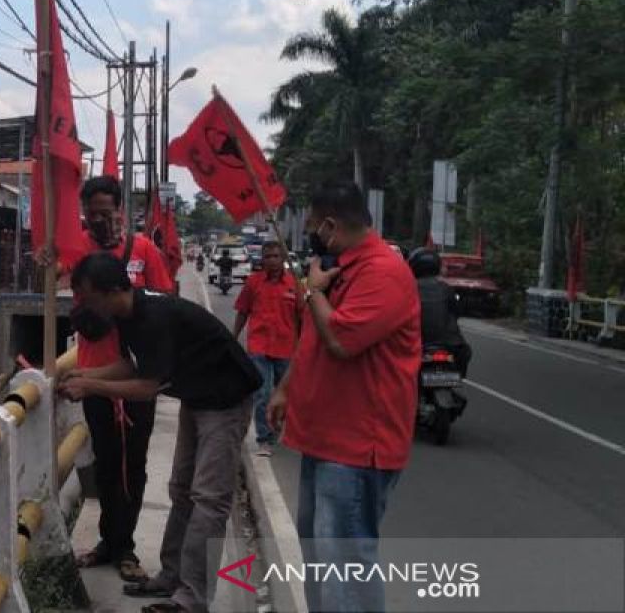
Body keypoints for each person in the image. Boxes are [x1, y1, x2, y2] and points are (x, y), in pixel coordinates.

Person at [61, 252, 261, 613]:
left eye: (89, 298)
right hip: (197, 397)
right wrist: (85, 376)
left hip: (225, 400)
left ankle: (192, 598)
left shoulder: (154, 316)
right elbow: (130, 364)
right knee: (181, 490)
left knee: (208, 499)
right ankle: (173, 575)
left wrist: (90, 385)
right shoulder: (128, 314)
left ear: (111, 291)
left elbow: (147, 387)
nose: (85, 307)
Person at [267, 181, 420, 613]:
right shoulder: (343, 268)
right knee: (319, 557)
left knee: (345, 563)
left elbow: (340, 338)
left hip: (356, 448)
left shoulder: (382, 272)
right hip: (326, 440)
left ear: (331, 226)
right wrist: (285, 388)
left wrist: (313, 290)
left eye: (314, 227)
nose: (311, 234)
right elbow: (315, 337)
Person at [62, 176, 174, 582]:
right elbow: (55, 279)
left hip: (137, 374)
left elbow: (165, 302)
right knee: (106, 462)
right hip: (94, 373)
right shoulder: (77, 250)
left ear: (121, 212)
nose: (99, 223)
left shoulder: (144, 251)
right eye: (91, 216)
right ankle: (109, 541)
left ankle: (126, 546)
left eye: (106, 215)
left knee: (134, 463)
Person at [233, 240, 300, 457]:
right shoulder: (253, 283)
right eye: (268, 256)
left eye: (276, 256)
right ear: (261, 259)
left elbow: (303, 318)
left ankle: (279, 426)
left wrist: (303, 346)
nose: (272, 260)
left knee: (286, 395)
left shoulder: (295, 285)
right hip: (259, 345)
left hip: (286, 348)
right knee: (262, 393)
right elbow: (243, 311)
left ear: (283, 259)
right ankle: (265, 438)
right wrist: (232, 337)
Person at [408, 247, 472, 376]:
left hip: (418, 345)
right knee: (465, 352)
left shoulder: (407, 288)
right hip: (451, 345)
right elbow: (457, 312)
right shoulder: (446, 288)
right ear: (437, 266)